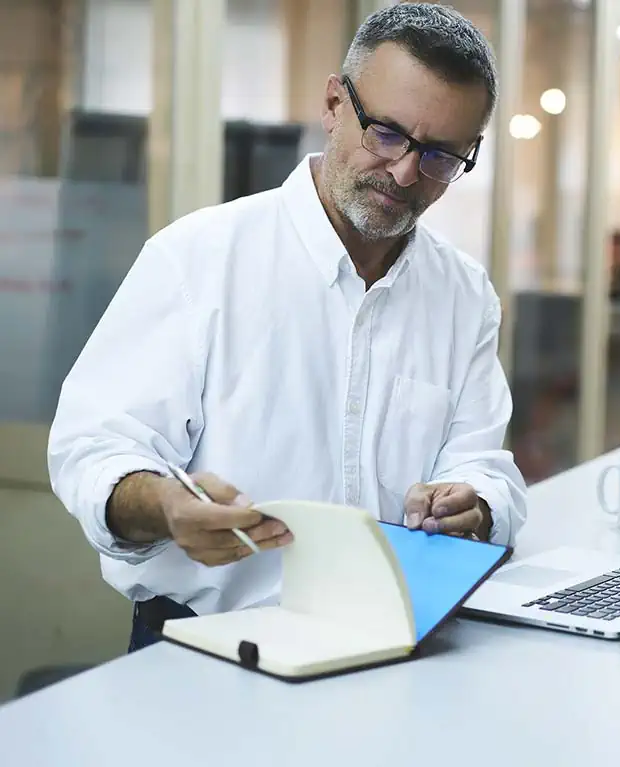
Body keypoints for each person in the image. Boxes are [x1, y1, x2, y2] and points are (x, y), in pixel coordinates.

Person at [48, 3, 527, 651]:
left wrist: (476, 501)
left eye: (441, 156)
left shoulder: (463, 295)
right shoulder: (197, 260)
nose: (405, 173)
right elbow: (95, 450)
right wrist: (165, 505)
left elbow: (482, 462)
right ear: (334, 103)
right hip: (204, 652)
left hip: (391, 645)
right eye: (386, 133)